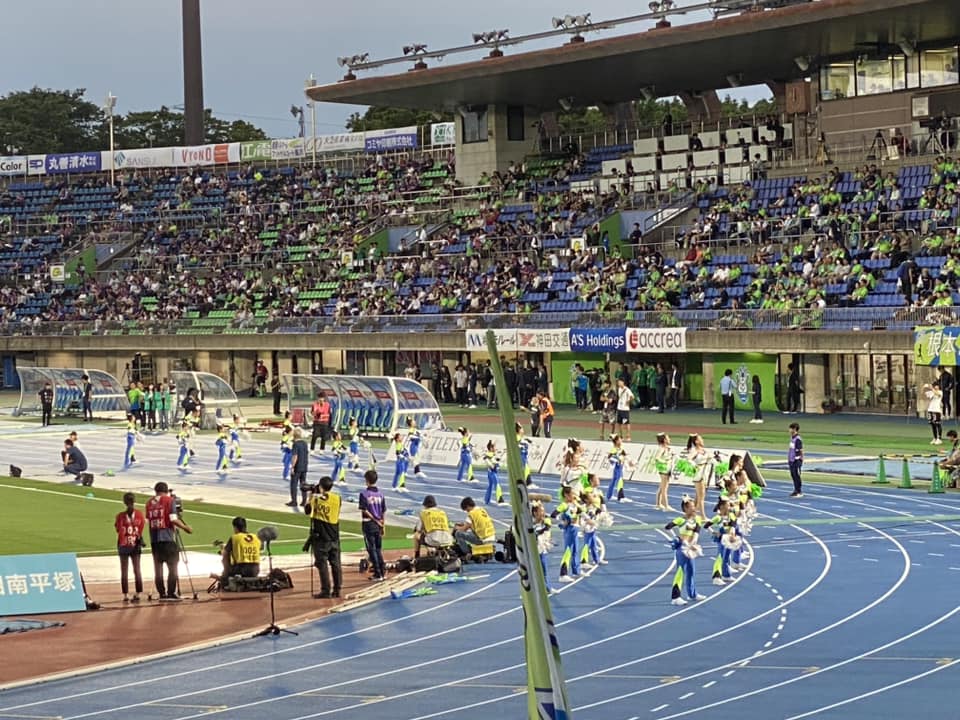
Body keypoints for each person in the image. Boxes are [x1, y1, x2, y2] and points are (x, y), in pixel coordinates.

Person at [145, 482, 192, 600]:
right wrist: (185, 527)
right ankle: (171, 592)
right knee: (173, 566)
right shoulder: (169, 501)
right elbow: (173, 519)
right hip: (167, 538)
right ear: (166, 491)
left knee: (158, 568)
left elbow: (148, 520)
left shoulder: (149, 503)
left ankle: (162, 593)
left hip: (154, 540)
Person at [666, 496, 711, 605]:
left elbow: (697, 532)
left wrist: (693, 543)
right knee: (680, 571)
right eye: (691, 507)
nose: (694, 508)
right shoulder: (681, 520)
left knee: (691, 571)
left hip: (690, 548)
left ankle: (692, 594)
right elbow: (668, 527)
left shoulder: (697, 519)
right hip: (682, 548)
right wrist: (677, 538)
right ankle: (675, 597)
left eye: (694, 506)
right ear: (685, 509)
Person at [305, 475, 342, 599]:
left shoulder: (316, 500)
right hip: (334, 536)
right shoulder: (337, 499)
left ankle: (326, 590)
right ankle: (337, 589)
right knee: (336, 564)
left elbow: (307, 510)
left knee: (322, 565)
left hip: (321, 538)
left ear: (320, 487)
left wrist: (311, 495)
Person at [114, 492, 145, 603]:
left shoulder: (120, 516)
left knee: (124, 570)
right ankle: (138, 593)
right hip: (135, 545)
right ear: (134, 501)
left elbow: (117, 529)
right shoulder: (140, 514)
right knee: (137, 570)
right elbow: (141, 529)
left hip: (123, 545)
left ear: (124, 502)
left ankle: (125, 595)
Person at [358, 470, 387, 581]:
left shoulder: (364, 494)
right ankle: (382, 571)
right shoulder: (380, 494)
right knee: (378, 549)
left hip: (369, 523)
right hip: (379, 523)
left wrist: (375, 520)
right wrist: (382, 524)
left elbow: (365, 510)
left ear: (366, 481)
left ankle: (378, 573)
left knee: (372, 549)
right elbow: (384, 510)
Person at [218, 516, 261, 584]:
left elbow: (225, 554)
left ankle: (225, 578)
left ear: (235, 527)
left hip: (241, 569)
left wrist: (226, 571)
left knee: (224, 559)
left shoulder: (235, 537)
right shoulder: (255, 537)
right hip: (255, 570)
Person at [413, 495, 453, 559]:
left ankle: (417, 556)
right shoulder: (442, 512)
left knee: (416, 535)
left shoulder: (424, 513)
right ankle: (443, 552)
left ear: (425, 505)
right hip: (448, 540)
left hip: (433, 540)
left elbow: (418, 529)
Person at [654, 432, 675, 511]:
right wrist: (664, 461)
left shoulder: (667, 448)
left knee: (662, 487)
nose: (669, 439)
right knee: (664, 488)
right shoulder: (662, 448)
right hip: (664, 470)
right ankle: (666, 506)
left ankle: (658, 504)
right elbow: (657, 458)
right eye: (668, 438)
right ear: (664, 440)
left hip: (668, 469)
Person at [290, 427, 310, 507]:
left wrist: (292, 466)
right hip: (304, 465)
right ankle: (304, 501)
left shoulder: (296, 444)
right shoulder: (304, 443)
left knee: (294, 484)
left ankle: (294, 501)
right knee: (303, 484)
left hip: (298, 466)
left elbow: (295, 456)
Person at [615, 377, 635, 442]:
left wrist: (628, 402)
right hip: (619, 408)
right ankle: (621, 436)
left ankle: (628, 436)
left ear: (623, 382)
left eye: (620, 382)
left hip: (625, 409)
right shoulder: (618, 389)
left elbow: (632, 397)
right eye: (618, 382)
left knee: (626, 423)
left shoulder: (627, 389)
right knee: (619, 423)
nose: (618, 383)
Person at [788, 422, 804, 498]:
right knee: (793, 475)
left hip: (796, 461)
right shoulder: (792, 438)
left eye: (790, 428)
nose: (789, 430)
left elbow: (800, 450)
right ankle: (795, 490)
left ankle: (799, 491)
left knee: (797, 476)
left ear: (794, 429)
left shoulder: (798, 439)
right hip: (791, 460)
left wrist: (799, 460)